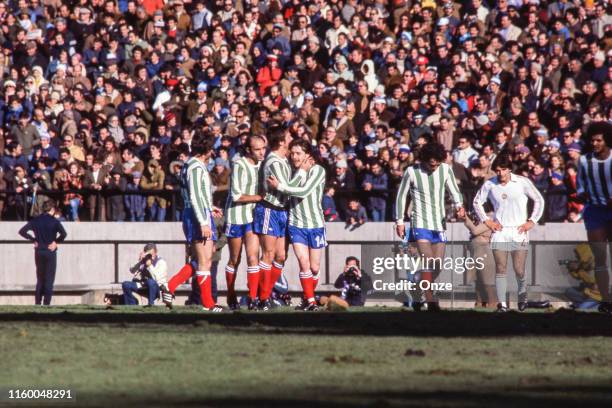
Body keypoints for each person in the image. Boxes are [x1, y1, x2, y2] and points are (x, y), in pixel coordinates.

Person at [394, 142, 465, 311]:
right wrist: (399, 221)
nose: (434, 167)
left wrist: (459, 206)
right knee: (427, 260)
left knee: (437, 264)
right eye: (430, 163)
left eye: (437, 163)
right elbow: (401, 197)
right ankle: (431, 300)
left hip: (439, 224)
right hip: (420, 223)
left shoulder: (446, 169)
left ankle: (418, 287)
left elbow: (454, 191)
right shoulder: (412, 171)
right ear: (424, 160)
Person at [473, 154, 546, 312]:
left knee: (519, 269)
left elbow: (539, 200)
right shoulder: (489, 184)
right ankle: (503, 305)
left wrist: (532, 221)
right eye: (497, 170)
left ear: (509, 169)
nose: (500, 174)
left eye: (503, 170)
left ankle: (522, 296)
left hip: (519, 230)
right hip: (500, 231)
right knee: (501, 268)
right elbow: (477, 202)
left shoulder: (522, 182)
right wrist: (487, 221)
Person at [164, 137, 223, 312]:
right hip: (198, 216)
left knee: (201, 260)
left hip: (198, 213)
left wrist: (210, 207)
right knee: (205, 261)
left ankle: (170, 286)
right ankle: (208, 304)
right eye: (211, 150)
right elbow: (196, 197)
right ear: (206, 151)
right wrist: (204, 222)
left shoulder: (191, 166)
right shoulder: (196, 167)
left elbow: (196, 194)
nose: (212, 153)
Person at [268, 139, 327, 311]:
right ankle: (311, 302)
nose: (294, 156)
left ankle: (305, 298)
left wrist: (280, 186)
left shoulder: (318, 170)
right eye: (292, 153)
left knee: (315, 268)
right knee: (304, 262)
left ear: (308, 154)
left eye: (298, 153)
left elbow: (303, 191)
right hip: (296, 224)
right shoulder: (290, 171)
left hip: (316, 224)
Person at [253, 131, 301, 311]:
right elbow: (286, 187)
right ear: (282, 142)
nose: (292, 140)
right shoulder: (273, 161)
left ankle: (265, 294)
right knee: (268, 254)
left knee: (281, 255)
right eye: (289, 138)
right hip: (270, 209)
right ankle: (262, 298)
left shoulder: (283, 161)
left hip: (282, 210)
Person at [223, 135, 265, 310]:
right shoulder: (239, 165)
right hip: (235, 216)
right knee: (235, 259)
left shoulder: (264, 164)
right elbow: (236, 195)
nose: (262, 152)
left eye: (263, 148)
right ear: (249, 150)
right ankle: (231, 293)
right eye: (257, 149)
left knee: (252, 257)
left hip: (252, 217)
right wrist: (260, 198)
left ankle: (252, 298)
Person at [576, 123, 612, 314]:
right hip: (595, 212)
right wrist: (581, 194)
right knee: (600, 257)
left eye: (599, 140)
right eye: (592, 140)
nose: (595, 143)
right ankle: (606, 300)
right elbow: (580, 184)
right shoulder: (584, 161)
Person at [18, 200, 67, 305]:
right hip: (50, 251)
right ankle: (46, 303)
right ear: (52, 210)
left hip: (39, 250)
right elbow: (64, 234)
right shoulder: (54, 221)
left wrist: (33, 239)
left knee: (40, 278)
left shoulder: (36, 220)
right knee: (49, 278)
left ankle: (37, 302)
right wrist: (56, 242)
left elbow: (22, 231)